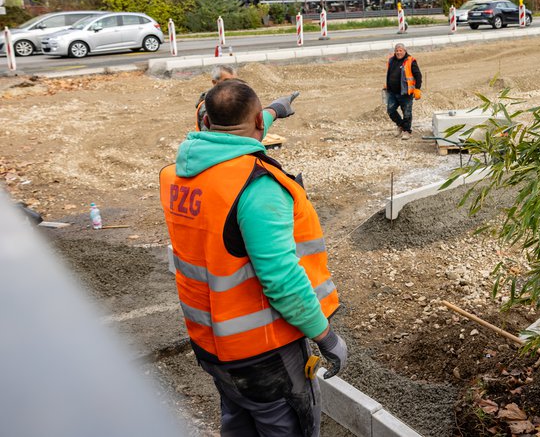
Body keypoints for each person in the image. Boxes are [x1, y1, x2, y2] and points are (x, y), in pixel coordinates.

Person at [159, 80, 345, 437]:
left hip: (210, 344)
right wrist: (326, 336)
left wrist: (273, 111)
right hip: (263, 353)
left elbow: (228, 137)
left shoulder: (178, 175)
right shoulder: (257, 188)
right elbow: (282, 280)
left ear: (205, 120)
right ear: (256, 121)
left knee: (238, 420)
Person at [384, 43, 422, 140]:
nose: (398, 52)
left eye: (400, 50)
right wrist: (387, 84)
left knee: (407, 113)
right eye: (397, 50)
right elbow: (390, 73)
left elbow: (418, 75)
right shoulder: (391, 60)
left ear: (405, 51)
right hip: (392, 91)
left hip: (405, 92)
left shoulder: (410, 61)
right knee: (390, 110)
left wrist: (417, 89)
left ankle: (407, 131)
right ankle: (401, 125)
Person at [195, 65, 238, 131]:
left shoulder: (234, 100)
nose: (232, 85)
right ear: (215, 83)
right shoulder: (208, 106)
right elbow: (207, 135)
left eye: (235, 81)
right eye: (226, 81)